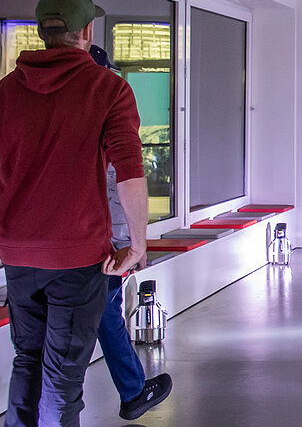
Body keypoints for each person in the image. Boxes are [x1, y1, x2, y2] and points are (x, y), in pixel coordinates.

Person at [0, 0, 149, 427]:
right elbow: (129, 172)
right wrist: (138, 244)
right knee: (63, 376)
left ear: (43, 31)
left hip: (18, 257)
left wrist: (7, 231)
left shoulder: (3, 94)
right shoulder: (108, 88)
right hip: (77, 256)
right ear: (86, 31)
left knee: (27, 360)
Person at [86, 45, 173, 421]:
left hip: (53, 242)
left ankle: (132, 389)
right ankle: (133, 391)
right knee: (106, 313)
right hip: (102, 239)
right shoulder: (106, 114)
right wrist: (133, 244)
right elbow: (123, 182)